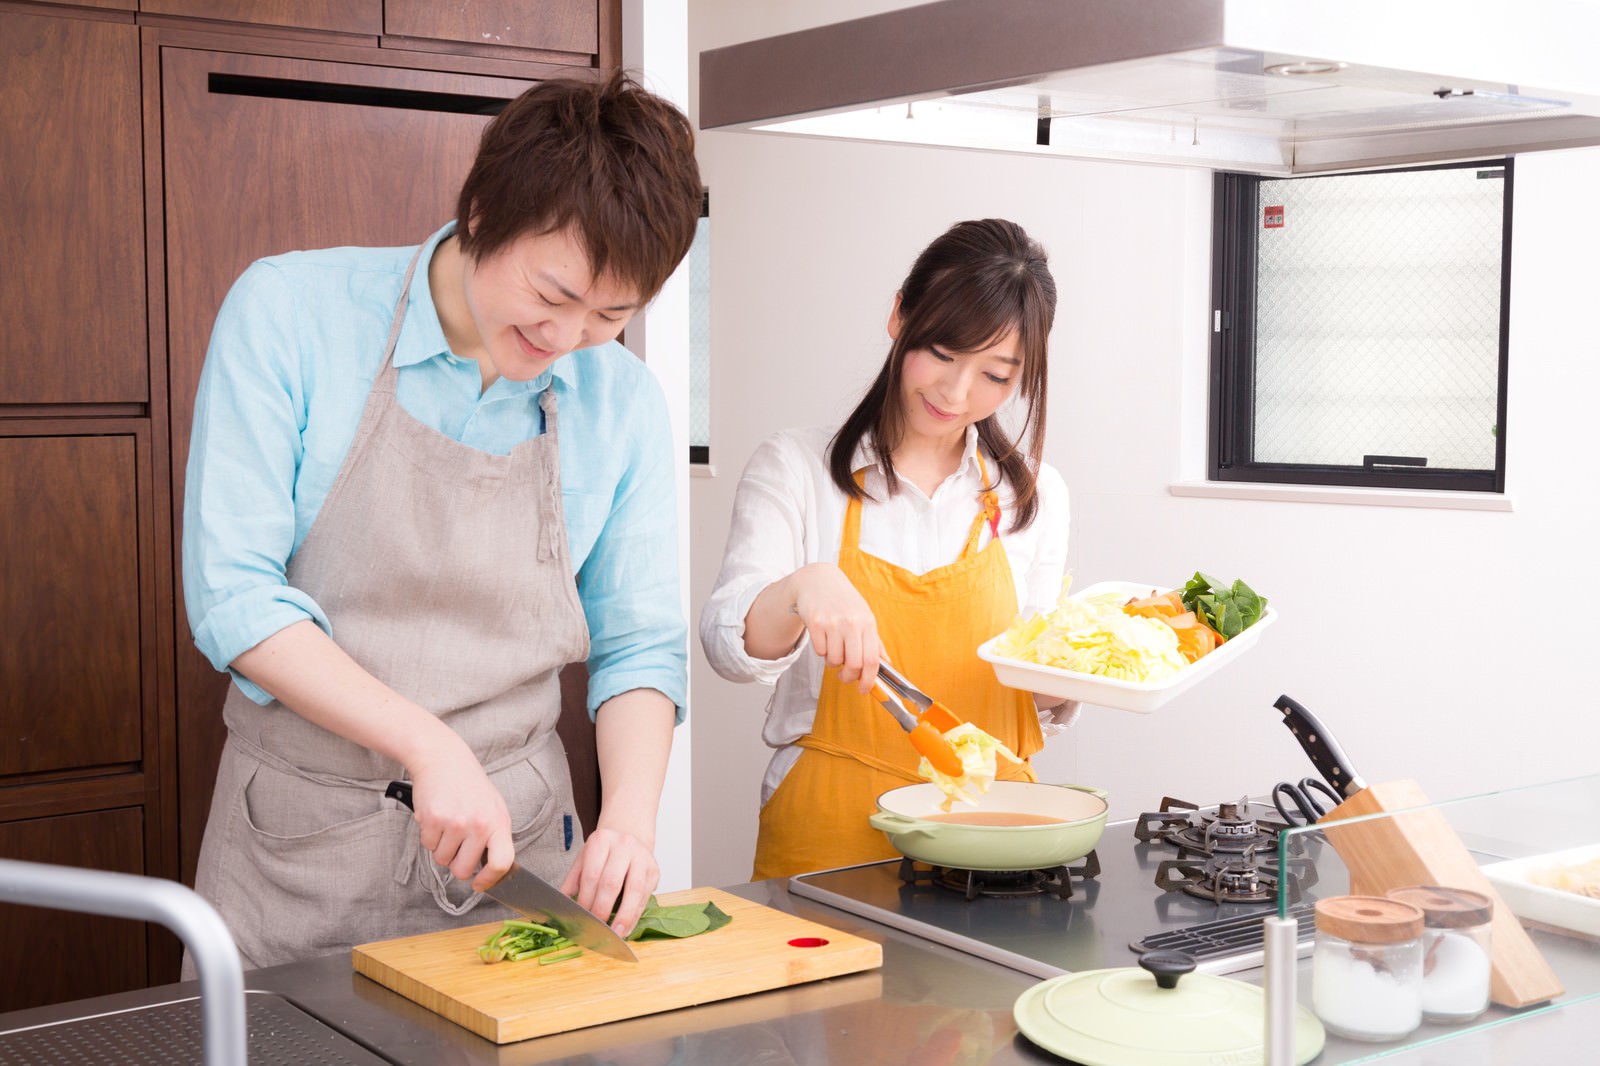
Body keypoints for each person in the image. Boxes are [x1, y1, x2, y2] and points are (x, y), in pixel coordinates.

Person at [181, 70, 702, 970]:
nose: (568, 337)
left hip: (517, 854)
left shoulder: (622, 401)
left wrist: (628, 822)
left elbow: (640, 645)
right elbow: (233, 596)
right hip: (298, 847)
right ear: (481, 214)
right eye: (552, 295)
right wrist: (429, 746)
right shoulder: (290, 313)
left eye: (610, 315)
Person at [699, 218, 1078, 880]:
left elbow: (1033, 690)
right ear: (900, 314)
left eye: (994, 374)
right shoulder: (795, 468)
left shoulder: (1035, 495)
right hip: (829, 828)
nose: (956, 392)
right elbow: (728, 648)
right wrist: (802, 588)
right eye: (942, 352)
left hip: (991, 831)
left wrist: (1070, 677)